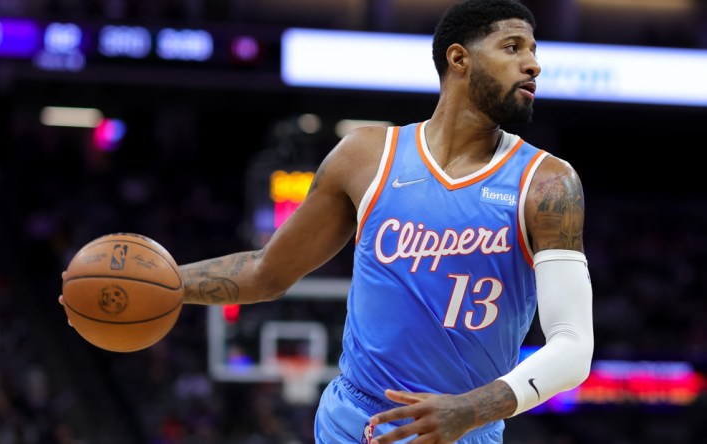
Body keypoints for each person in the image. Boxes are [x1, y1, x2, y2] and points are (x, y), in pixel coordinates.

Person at [60, 0, 594, 442]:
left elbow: (572, 348)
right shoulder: (366, 157)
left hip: (462, 430)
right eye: (513, 47)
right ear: (459, 58)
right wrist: (168, 285)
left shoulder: (547, 183)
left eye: (534, 50)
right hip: (349, 421)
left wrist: (470, 411)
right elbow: (269, 271)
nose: (533, 65)